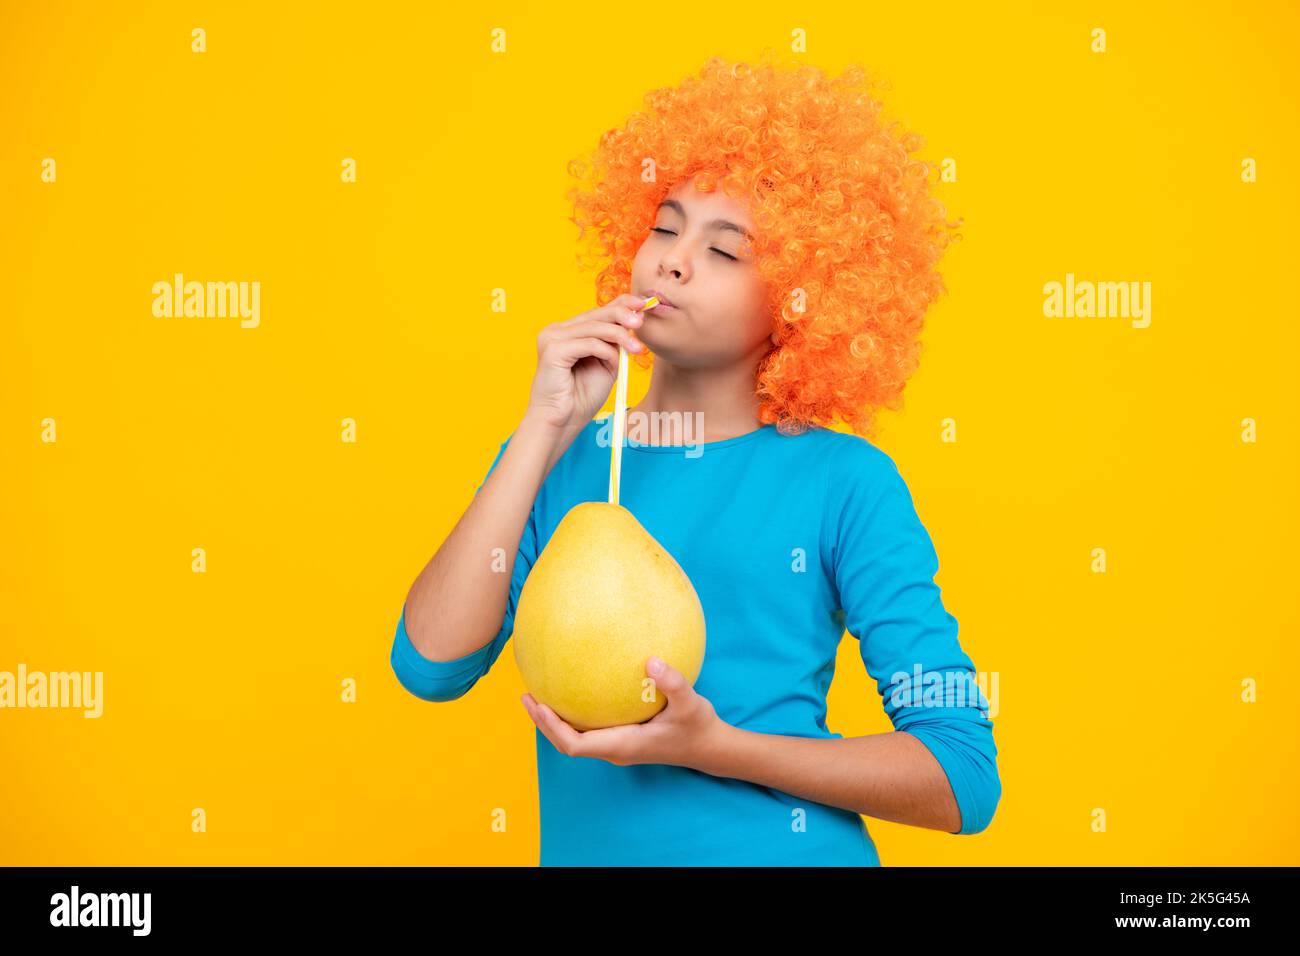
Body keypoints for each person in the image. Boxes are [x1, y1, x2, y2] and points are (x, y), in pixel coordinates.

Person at [390, 52, 1000, 865]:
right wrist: (542, 428)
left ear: (801, 299)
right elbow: (430, 667)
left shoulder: (845, 484)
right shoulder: (559, 457)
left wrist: (715, 747)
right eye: (666, 228)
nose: (672, 261)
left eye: (725, 251)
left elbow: (962, 776)